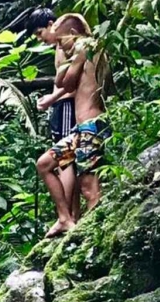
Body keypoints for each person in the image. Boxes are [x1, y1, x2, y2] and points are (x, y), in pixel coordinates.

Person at [34, 13, 108, 237]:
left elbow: (63, 82)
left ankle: (94, 240)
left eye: (60, 40)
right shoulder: (85, 48)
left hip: (91, 128)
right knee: (45, 164)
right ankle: (64, 218)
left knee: (89, 189)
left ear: (74, 34)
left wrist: (66, 59)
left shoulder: (85, 47)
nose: (58, 45)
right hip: (81, 131)